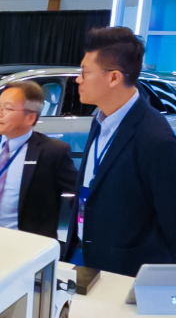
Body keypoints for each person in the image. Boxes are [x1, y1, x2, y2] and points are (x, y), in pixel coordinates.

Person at [64, 27, 176, 276]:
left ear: (114, 77)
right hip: (85, 251)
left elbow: (171, 217)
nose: (78, 79)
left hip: (124, 270)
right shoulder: (100, 118)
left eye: (85, 72)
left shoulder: (154, 137)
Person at [0, 81, 77, 240]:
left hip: (23, 243)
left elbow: (78, 194)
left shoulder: (52, 152)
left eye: (8, 109)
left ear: (30, 118)